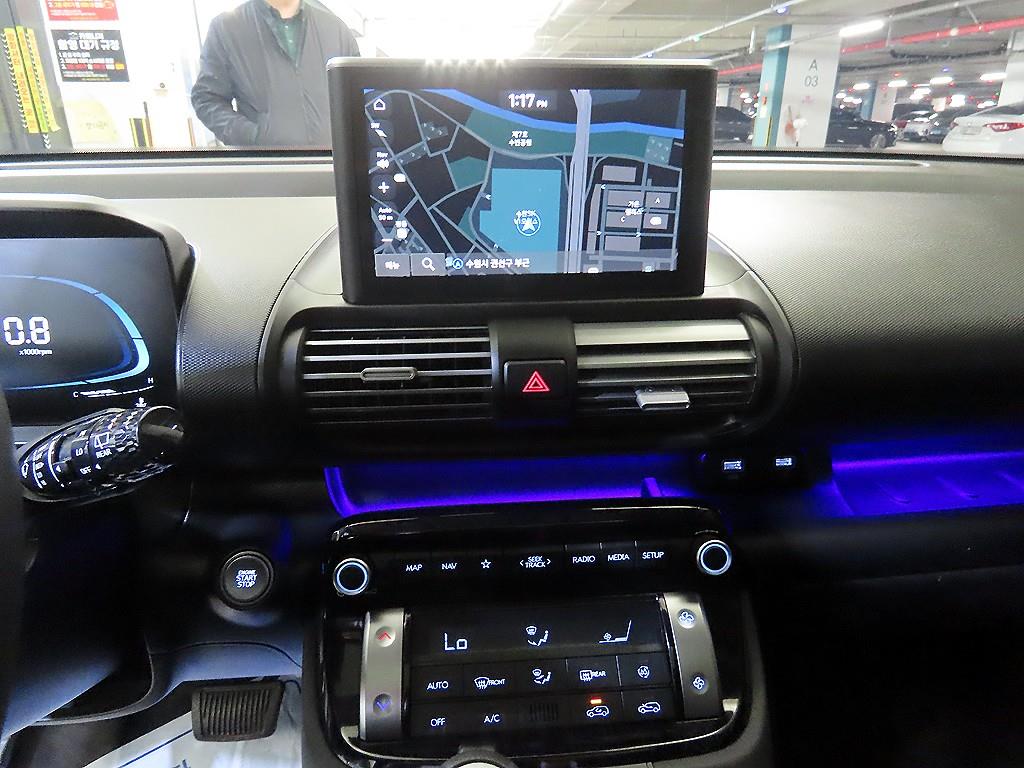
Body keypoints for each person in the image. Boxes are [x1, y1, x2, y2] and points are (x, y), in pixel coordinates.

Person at [191, 0, 359, 147]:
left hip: (330, 166)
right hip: (270, 166)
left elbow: (358, 98)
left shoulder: (336, 29)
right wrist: (252, 136)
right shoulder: (227, 29)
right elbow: (207, 99)